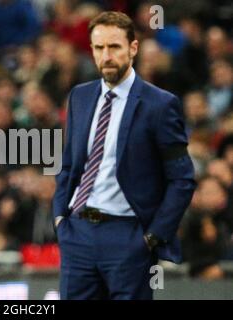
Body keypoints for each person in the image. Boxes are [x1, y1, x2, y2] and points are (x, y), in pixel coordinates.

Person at [53, 11, 196, 300]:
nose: (106, 56)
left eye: (114, 47)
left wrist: (151, 237)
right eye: (98, 48)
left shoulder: (161, 104)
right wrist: (60, 218)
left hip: (129, 236)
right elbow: (69, 164)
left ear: (133, 48)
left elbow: (182, 179)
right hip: (78, 233)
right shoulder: (79, 96)